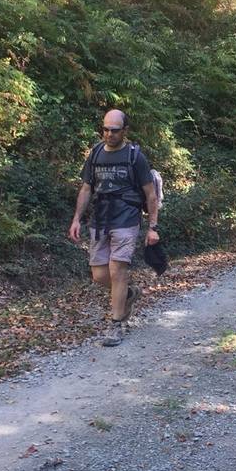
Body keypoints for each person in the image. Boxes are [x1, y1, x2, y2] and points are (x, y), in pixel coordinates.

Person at [68, 109, 160, 346]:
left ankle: (116, 325)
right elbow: (87, 188)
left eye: (114, 130)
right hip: (100, 219)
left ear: (125, 131)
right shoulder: (96, 153)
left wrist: (152, 226)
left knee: (118, 271)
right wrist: (77, 218)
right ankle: (129, 294)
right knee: (100, 276)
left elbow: (150, 194)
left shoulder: (135, 157)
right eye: (106, 129)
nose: (109, 134)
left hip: (126, 218)